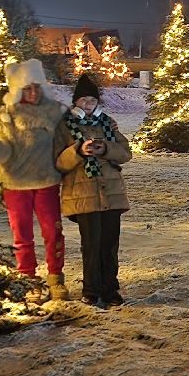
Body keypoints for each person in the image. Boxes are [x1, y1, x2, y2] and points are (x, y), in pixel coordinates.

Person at [0, 58, 69, 300]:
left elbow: (67, 141)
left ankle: (55, 278)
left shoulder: (55, 113)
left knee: (53, 231)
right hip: (16, 182)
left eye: (37, 87)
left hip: (46, 181)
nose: (33, 93)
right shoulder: (4, 116)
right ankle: (27, 279)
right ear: (18, 90)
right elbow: (2, 145)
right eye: (27, 88)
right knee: (21, 234)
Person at [54, 73, 131, 307]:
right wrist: (78, 151)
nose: (88, 106)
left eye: (92, 101)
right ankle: (91, 289)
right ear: (76, 102)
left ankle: (111, 290)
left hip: (111, 193)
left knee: (109, 244)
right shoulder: (65, 125)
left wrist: (105, 148)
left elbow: (125, 153)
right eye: (84, 101)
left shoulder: (107, 123)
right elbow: (58, 162)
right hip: (83, 193)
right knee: (91, 244)